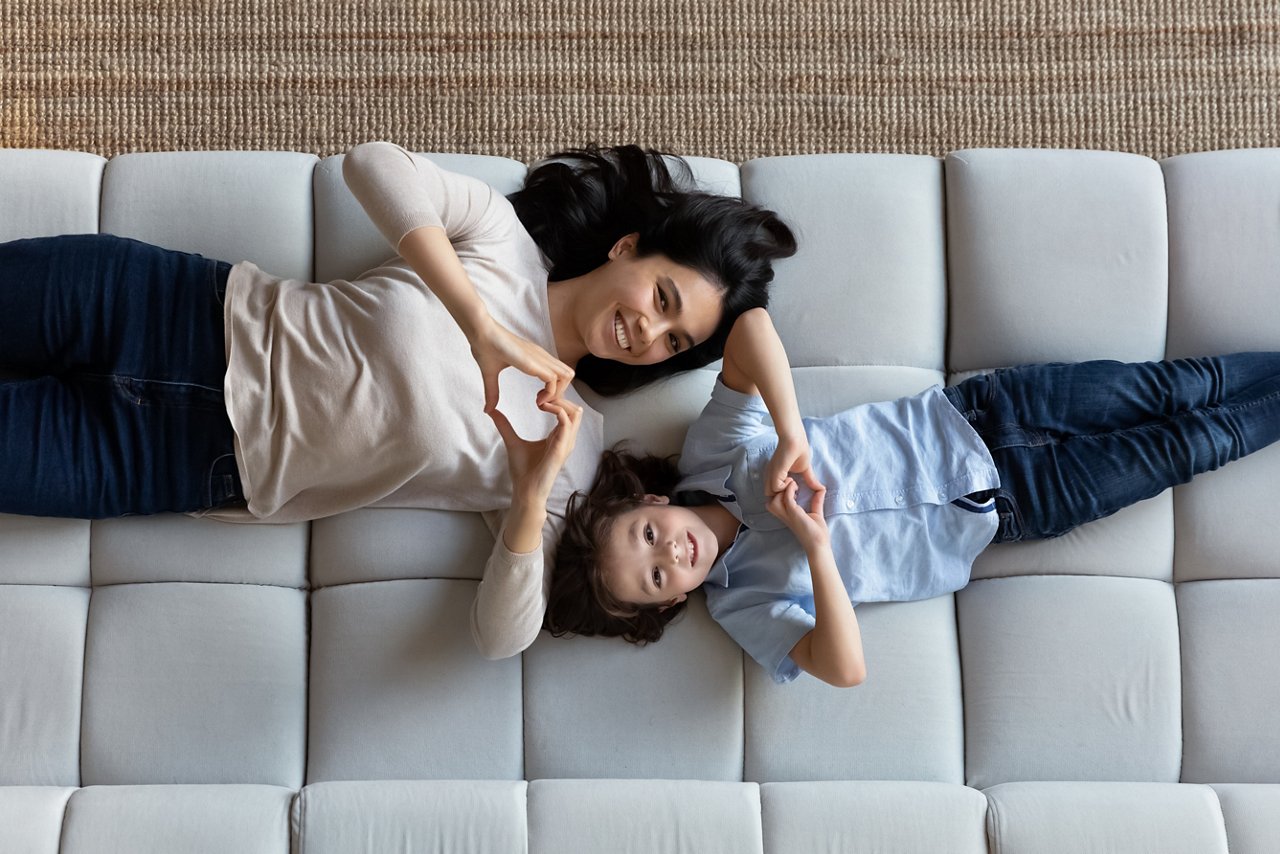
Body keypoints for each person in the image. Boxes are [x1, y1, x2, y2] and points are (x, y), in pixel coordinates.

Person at [0, 141, 797, 659]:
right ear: (627, 247)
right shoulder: (499, 243)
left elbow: (502, 636)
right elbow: (371, 165)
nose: (646, 332)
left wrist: (525, 494)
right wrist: (482, 329)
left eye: (671, 340)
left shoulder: (567, 442)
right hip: (168, 304)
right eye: (660, 296)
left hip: (167, 458)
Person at [544, 307, 1280, 686]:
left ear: (648, 501)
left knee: (1181, 386)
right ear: (671, 601)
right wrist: (815, 548)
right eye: (656, 578)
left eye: (647, 536)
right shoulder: (744, 605)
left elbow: (752, 330)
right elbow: (842, 667)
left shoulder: (716, 453)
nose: (670, 553)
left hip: (987, 412)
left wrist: (791, 435)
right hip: (1020, 505)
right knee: (1191, 445)